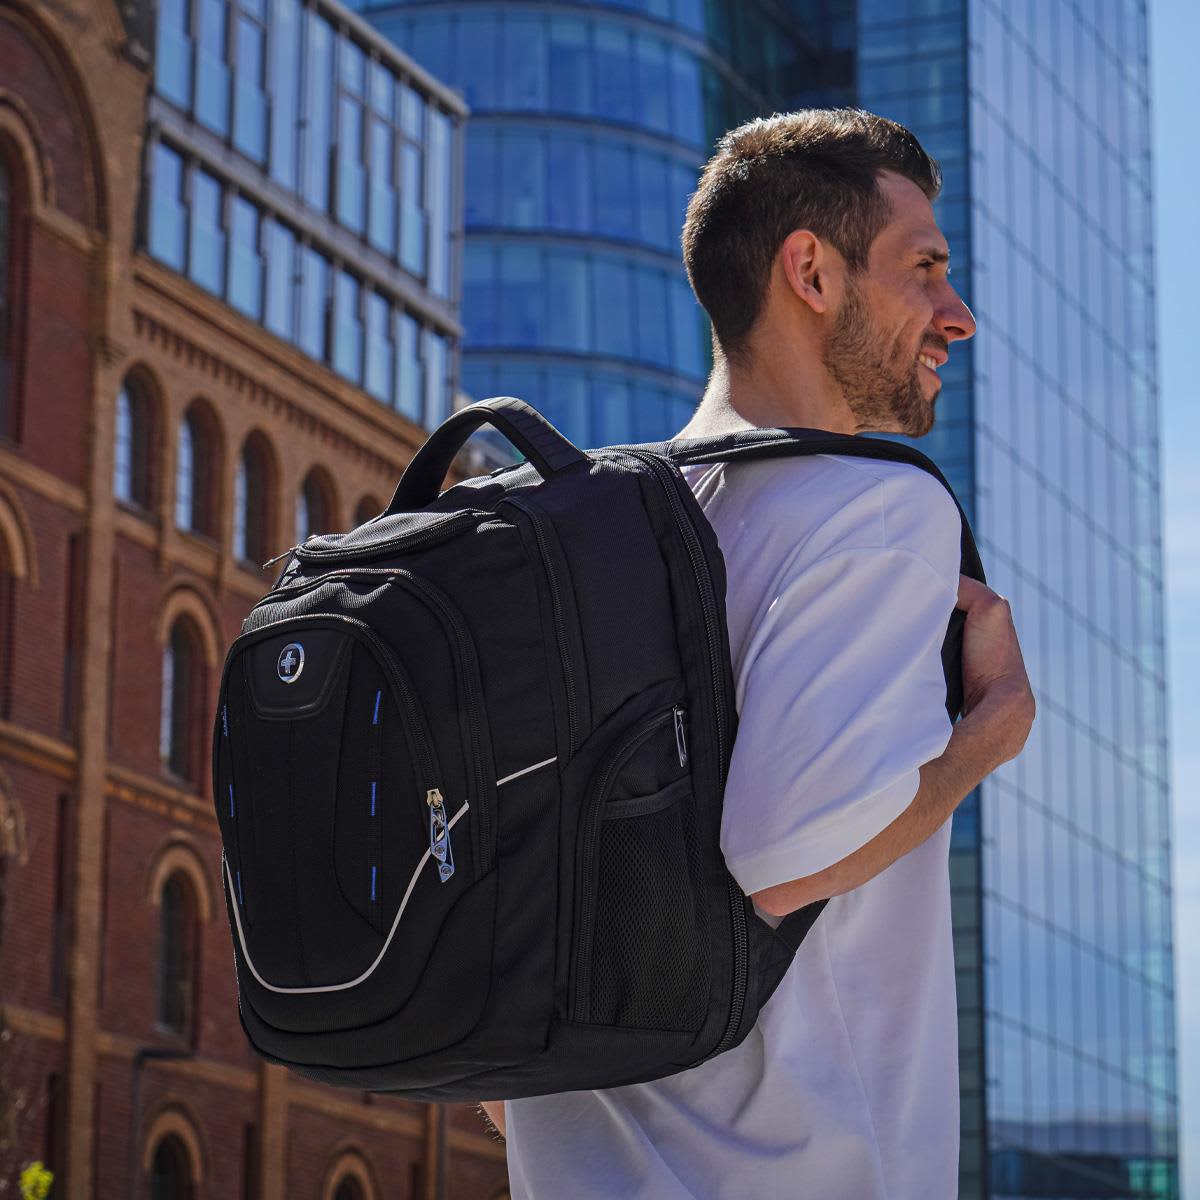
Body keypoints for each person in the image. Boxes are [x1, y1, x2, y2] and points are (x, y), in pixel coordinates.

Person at [480, 108, 1035, 1198]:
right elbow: (788, 857)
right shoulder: (872, 508)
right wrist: (987, 735)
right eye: (924, 268)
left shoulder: (574, 540)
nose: (957, 316)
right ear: (811, 272)